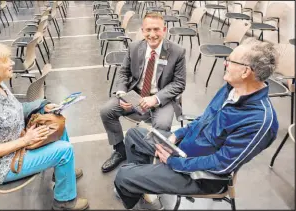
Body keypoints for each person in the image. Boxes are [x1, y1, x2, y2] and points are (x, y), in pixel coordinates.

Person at [114, 37, 280, 209]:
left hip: (202, 176)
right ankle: (142, 188)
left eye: (230, 61)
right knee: (134, 136)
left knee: (124, 176)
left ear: (246, 72)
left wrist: (174, 162)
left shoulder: (260, 121)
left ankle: (134, 187)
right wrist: (176, 135)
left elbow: (222, 164)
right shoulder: (231, 88)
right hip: (184, 150)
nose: (225, 64)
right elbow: (203, 119)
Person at [0, 43, 89, 210]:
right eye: (6, 60)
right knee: (64, 150)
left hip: (14, 144)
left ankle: (62, 173)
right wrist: (25, 140)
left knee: (55, 121)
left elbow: (15, 109)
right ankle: (64, 202)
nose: (12, 63)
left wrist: (43, 106)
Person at [100, 12, 186, 173]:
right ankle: (120, 150)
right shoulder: (134, 47)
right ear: (142, 30)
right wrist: (121, 93)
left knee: (162, 125)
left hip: (162, 99)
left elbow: (179, 83)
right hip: (136, 95)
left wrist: (156, 98)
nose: (152, 35)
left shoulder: (177, 52)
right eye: (148, 30)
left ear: (164, 30)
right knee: (106, 111)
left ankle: (150, 161)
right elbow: (123, 72)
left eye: (156, 29)